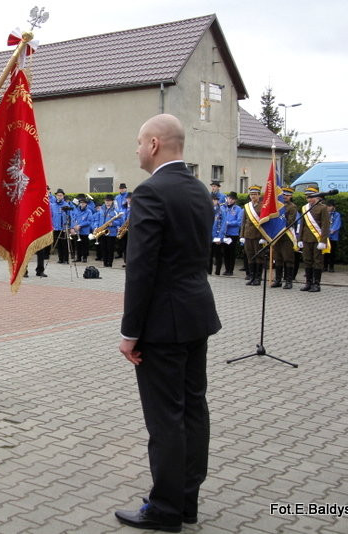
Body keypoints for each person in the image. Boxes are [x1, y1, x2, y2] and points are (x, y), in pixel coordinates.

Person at [116, 114, 220, 533]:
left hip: (162, 325)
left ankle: (164, 508)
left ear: (155, 144)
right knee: (193, 408)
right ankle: (186, 501)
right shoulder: (199, 190)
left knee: (165, 419)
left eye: (139, 142)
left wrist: (129, 333)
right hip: (196, 315)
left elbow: (141, 268)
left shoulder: (151, 192)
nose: (137, 149)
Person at [298, 186, 331, 292]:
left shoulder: (322, 208)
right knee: (307, 260)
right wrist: (299, 239)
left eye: (310, 196)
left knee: (317, 261)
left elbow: (325, 225)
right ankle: (308, 282)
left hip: (317, 239)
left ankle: (316, 284)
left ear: (317, 197)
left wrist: (323, 241)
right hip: (306, 239)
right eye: (307, 196)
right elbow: (302, 225)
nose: (308, 198)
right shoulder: (304, 208)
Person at [270, 187, 298, 289]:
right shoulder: (277, 206)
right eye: (284, 195)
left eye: (288, 195)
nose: (285, 196)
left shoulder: (292, 207)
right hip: (277, 236)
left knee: (288, 258)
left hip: (287, 236)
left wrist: (280, 221)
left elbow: (290, 221)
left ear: (291, 196)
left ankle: (289, 281)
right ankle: (278, 280)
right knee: (278, 258)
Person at [240, 185, 263, 285]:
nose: (253, 196)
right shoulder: (247, 206)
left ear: (259, 195)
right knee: (250, 255)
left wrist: (264, 237)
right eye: (251, 194)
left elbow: (265, 222)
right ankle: (252, 277)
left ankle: (258, 278)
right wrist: (242, 235)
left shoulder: (263, 206)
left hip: (258, 235)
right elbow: (243, 222)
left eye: (255, 194)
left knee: (258, 256)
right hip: (248, 235)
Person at [221, 191, 242, 276]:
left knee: (231, 252)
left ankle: (231, 270)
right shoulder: (223, 207)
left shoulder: (238, 209)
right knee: (225, 252)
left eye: (232, 199)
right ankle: (226, 269)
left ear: (235, 200)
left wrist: (228, 223)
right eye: (229, 198)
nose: (230, 200)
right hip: (224, 233)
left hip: (233, 234)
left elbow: (239, 222)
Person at [50, 188, 72, 264]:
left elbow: (69, 216)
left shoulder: (66, 205)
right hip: (56, 228)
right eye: (58, 195)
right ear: (56, 196)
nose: (59, 197)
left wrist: (68, 226)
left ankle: (66, 259)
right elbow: (51, 216)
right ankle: (60, 258)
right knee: (58, 243)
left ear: (63, 196)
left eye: (61, 195)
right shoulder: (53, 205)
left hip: (63, 228)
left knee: (64, 243)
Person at [209, 193, 226, 275]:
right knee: (209, 255)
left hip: (217, 236)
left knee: (218, 255)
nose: (213, 201)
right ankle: (208, 271)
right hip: (209, 236)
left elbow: (223, 224)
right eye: (212, 200)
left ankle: (217, 272)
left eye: (215, 200)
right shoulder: (208, 210)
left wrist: (220, 237)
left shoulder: (221, 211)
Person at [72, 195, 92, 262]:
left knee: (85, 245)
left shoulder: (89, 211)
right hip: (77, 231)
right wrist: (74, 226)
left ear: (86, 204)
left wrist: (80, 225)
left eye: (83, 203)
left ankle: (84, 258)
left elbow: (89, 221)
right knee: (78, 245)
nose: (82, 204)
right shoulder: (76, 210)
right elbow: (73, 219)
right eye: (81, 203)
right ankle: (78, 257)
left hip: (84, 231)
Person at [325, 199, 341, 272]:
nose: (329, 207)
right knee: (325, 252)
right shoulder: (324, 214)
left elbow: (337, 223)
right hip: (325, 236)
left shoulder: (337, 214)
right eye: (328, 206)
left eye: (330, 206)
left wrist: (332, 230)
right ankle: (324, 266)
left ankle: (331, 267)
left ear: (334, 206)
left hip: (333, 236)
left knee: (332, 252)